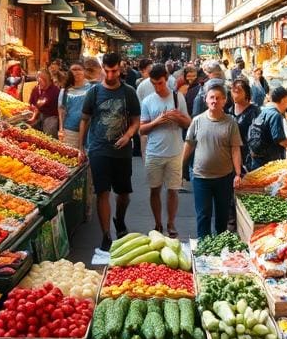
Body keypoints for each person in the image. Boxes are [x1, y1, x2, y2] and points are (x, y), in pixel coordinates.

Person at [79, 52, 141, 251]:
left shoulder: (129, 92)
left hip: (122, 152)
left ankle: (119, 219)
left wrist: (129, 135)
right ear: (103, 69)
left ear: (120, 68)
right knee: (102, 192)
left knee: (123, 194)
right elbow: (85, 119)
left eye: (114, 71)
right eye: (107, 71)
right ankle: (106, 235)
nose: (111, 75)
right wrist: (80, 147)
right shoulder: (94, 92)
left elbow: (136, 121)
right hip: (99, 150)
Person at [183, 86, 243, 238]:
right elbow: (189, 145)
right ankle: (204, 246)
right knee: (203, 215)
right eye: (211, 97)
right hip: (201, 177)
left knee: (222, 216)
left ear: (224, 100)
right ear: (206, 100)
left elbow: (235, 149)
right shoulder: (197, 121)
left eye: (218, 98)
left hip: (224, 177)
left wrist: (237, 173)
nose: (214, 101)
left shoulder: (231, 122)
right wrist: (179, 166)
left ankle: (220, 246)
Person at [139, 65, 191, 237]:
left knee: (173, 190)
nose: (158, 87)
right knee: (155, 189)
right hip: (154, 152)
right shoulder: (148, 101)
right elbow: (142, 129)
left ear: (167, 79)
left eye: (160, 83)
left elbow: (188, 123)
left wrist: (177, 117)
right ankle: (158, 223)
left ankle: (171, 223)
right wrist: (157, 121)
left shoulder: (178, 98)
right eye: (154, 84)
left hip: (175, 151)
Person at [248, 86, 287, 170]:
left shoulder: (265, 110)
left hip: (258, 160)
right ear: (284, 100)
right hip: (269, 162)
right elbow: (281, 141)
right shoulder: (276, 115)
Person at [226, 78, 260, 169]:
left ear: (246, 93)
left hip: (248, 154)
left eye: (239, 92)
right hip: (231, 152)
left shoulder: (253, 111)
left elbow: (257, 134)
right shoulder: (230, 109)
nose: (235, 95)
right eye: (233, 91)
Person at [59, 62, 91, 148]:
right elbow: (61, 110)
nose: (76, 72)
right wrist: (61, 128)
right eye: (73, 70)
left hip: (88, 132)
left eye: (79, 69)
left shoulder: (92, 89)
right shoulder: (65, 91)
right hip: (69, 131)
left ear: (84, 71)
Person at [28, 69, 61, 136]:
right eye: (38, 77)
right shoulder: (36, 89)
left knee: (49, 137)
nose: (39, 80)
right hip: (38, 116)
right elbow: (32, 104)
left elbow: (60, 108)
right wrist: (33, 115)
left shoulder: (55, 91)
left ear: (48, 79)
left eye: (42, 78)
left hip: (51, 117)